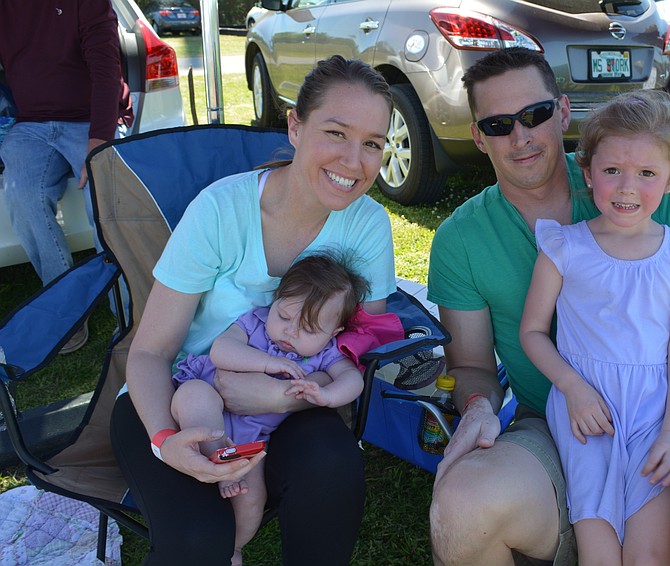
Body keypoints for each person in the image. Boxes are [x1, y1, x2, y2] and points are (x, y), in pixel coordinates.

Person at [428, 47, 670, 566]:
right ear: (478, 136)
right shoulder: (466, 238)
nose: (521, 136)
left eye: (535, 115)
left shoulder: (631, 164)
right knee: (462, 506)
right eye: (498, 124)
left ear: (563, 111)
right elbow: (473, 366)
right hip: (558, 420)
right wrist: (477, 407)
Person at [110, 55, 395, 565]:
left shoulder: (366, 223)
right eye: (336, 133)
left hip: (293, 399)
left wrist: (287, 396)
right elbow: (151, 352)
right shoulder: (220, 211)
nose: (355, 161)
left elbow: (366, 334)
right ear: (295, 125)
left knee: (335, 470)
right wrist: (164, 440)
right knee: (200, 538)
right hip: (177, 396)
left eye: (373, 143)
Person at [519, 91, 670, 565]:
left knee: (648, 554)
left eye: (646, 174)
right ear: (587, 172)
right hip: (588, 410)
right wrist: (572, 388)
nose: (627, 188)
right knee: (600, 552)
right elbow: (533, 333)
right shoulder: (565, 247)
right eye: (611, 171)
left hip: (654, 413)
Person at [170, 253, 370, 566]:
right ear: (275, 301)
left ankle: (231, 549)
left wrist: (328, 395)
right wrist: (267, 362)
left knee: (252, 497)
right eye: (285, 316)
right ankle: (217, 456)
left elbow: (352, 379)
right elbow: (222, 350)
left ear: (333, 332)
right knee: (193, 396)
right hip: (209, 400)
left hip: (249, 443)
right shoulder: (256, 322)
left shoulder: (327, 354)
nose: (290, 332)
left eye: (308, 328)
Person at [0, 0, 133, 353]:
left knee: (105, 202)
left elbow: (107, 69)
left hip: (91, 119)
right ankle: (66, 311)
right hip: (30, 124)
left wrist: (100, 140)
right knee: (21, 197)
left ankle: (129, 306)